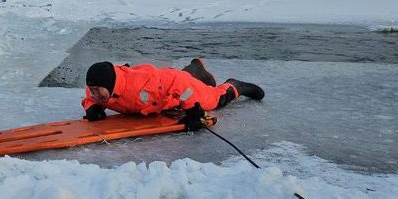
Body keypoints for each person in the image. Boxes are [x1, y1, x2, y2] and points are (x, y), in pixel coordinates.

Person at [82, 58, 264, 131]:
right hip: (166, 84)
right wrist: (92, 107)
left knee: (213, 100)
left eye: (98, 90)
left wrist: (193, 110)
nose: (95, 94)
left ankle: (234, 85)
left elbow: (180, 85)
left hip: (175, 83)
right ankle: (195, 68)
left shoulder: (140, 85)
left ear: (110, 84)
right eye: (93, 90)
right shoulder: (101, 91)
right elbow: (89, 96)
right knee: (184, 79)